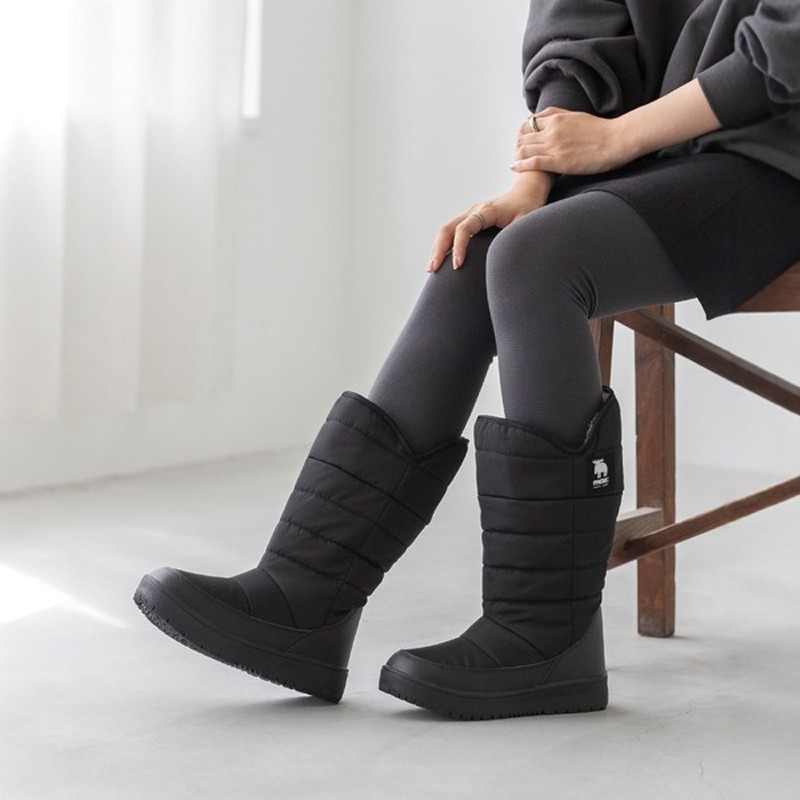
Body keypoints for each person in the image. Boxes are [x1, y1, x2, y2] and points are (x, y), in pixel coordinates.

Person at [134, 0, 800, 720]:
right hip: (666, 158)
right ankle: (305, 595)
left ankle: (548, 635)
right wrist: (532, 181)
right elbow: (579, 36)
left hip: (778, 155)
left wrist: (614, 139)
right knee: (480, 250)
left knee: (539, 258)